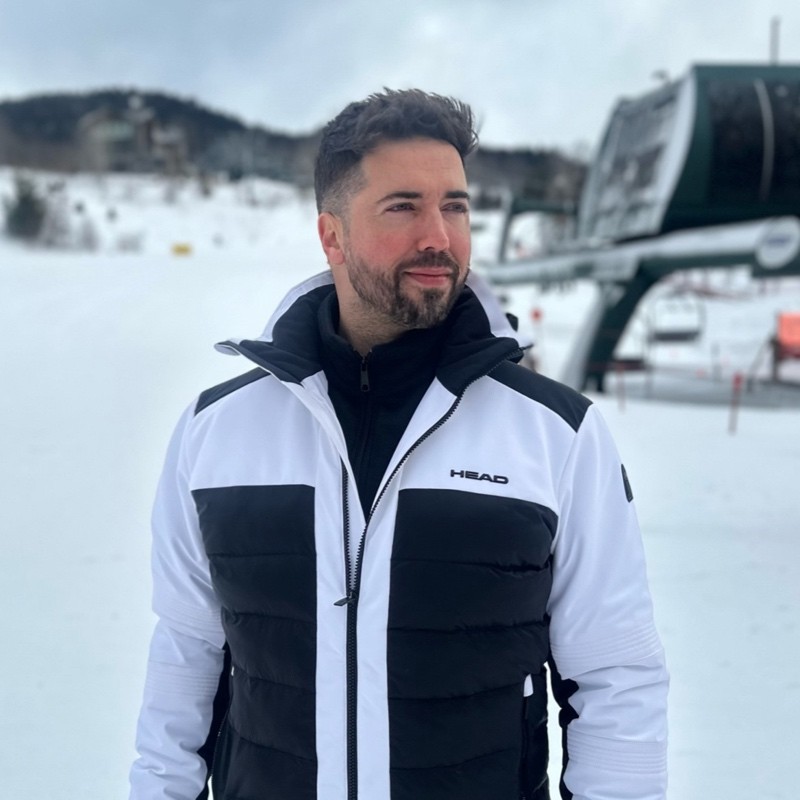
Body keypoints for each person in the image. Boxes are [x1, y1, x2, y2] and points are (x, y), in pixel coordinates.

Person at [129, 89, 668, 800]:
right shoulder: (217, 433)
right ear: (332, 236)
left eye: (456, 206)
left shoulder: (555, 435)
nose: (438, 236)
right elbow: (186, 654)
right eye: (403, 206)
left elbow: (615, 678)